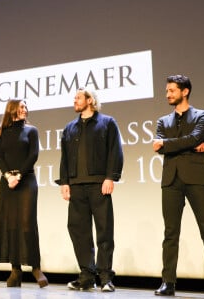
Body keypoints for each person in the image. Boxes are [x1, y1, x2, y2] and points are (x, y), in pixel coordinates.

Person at [152, 75, 204, 299]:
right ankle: (168, 283)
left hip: (197, 178)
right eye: (167, 91)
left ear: (185, 92)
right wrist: (184, 144)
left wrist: (168, 144)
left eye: (172, 90)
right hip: (171, 180)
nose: (168, 94)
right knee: (170, 233)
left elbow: (195, 138)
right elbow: (159, 147)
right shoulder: (162, 121)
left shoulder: (203, 115)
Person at [58, 87, 123, 292]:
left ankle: (105, 277)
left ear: (90, 100)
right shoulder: (70, 128)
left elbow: (115, 151)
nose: (74, 101)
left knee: (104, 231)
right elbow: (65, 158)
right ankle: (86, 276)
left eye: (78, 98)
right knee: (78, 231)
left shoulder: (107, 123)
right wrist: (65, 183)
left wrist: (111, 177)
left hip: (98, 185)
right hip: (76, 186)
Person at [0, 99, 48, 288]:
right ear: (12, 110)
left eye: (25, 107)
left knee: (27, 222)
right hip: (8, 182)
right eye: (21, 107)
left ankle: (36, 267)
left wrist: (19, 175)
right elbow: (0, 158)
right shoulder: (0, 132)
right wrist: (8, 176)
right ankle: (16, 271)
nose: (25, 109)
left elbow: (33, 155)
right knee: (11, 224)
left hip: (26, 180)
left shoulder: (32, 131)